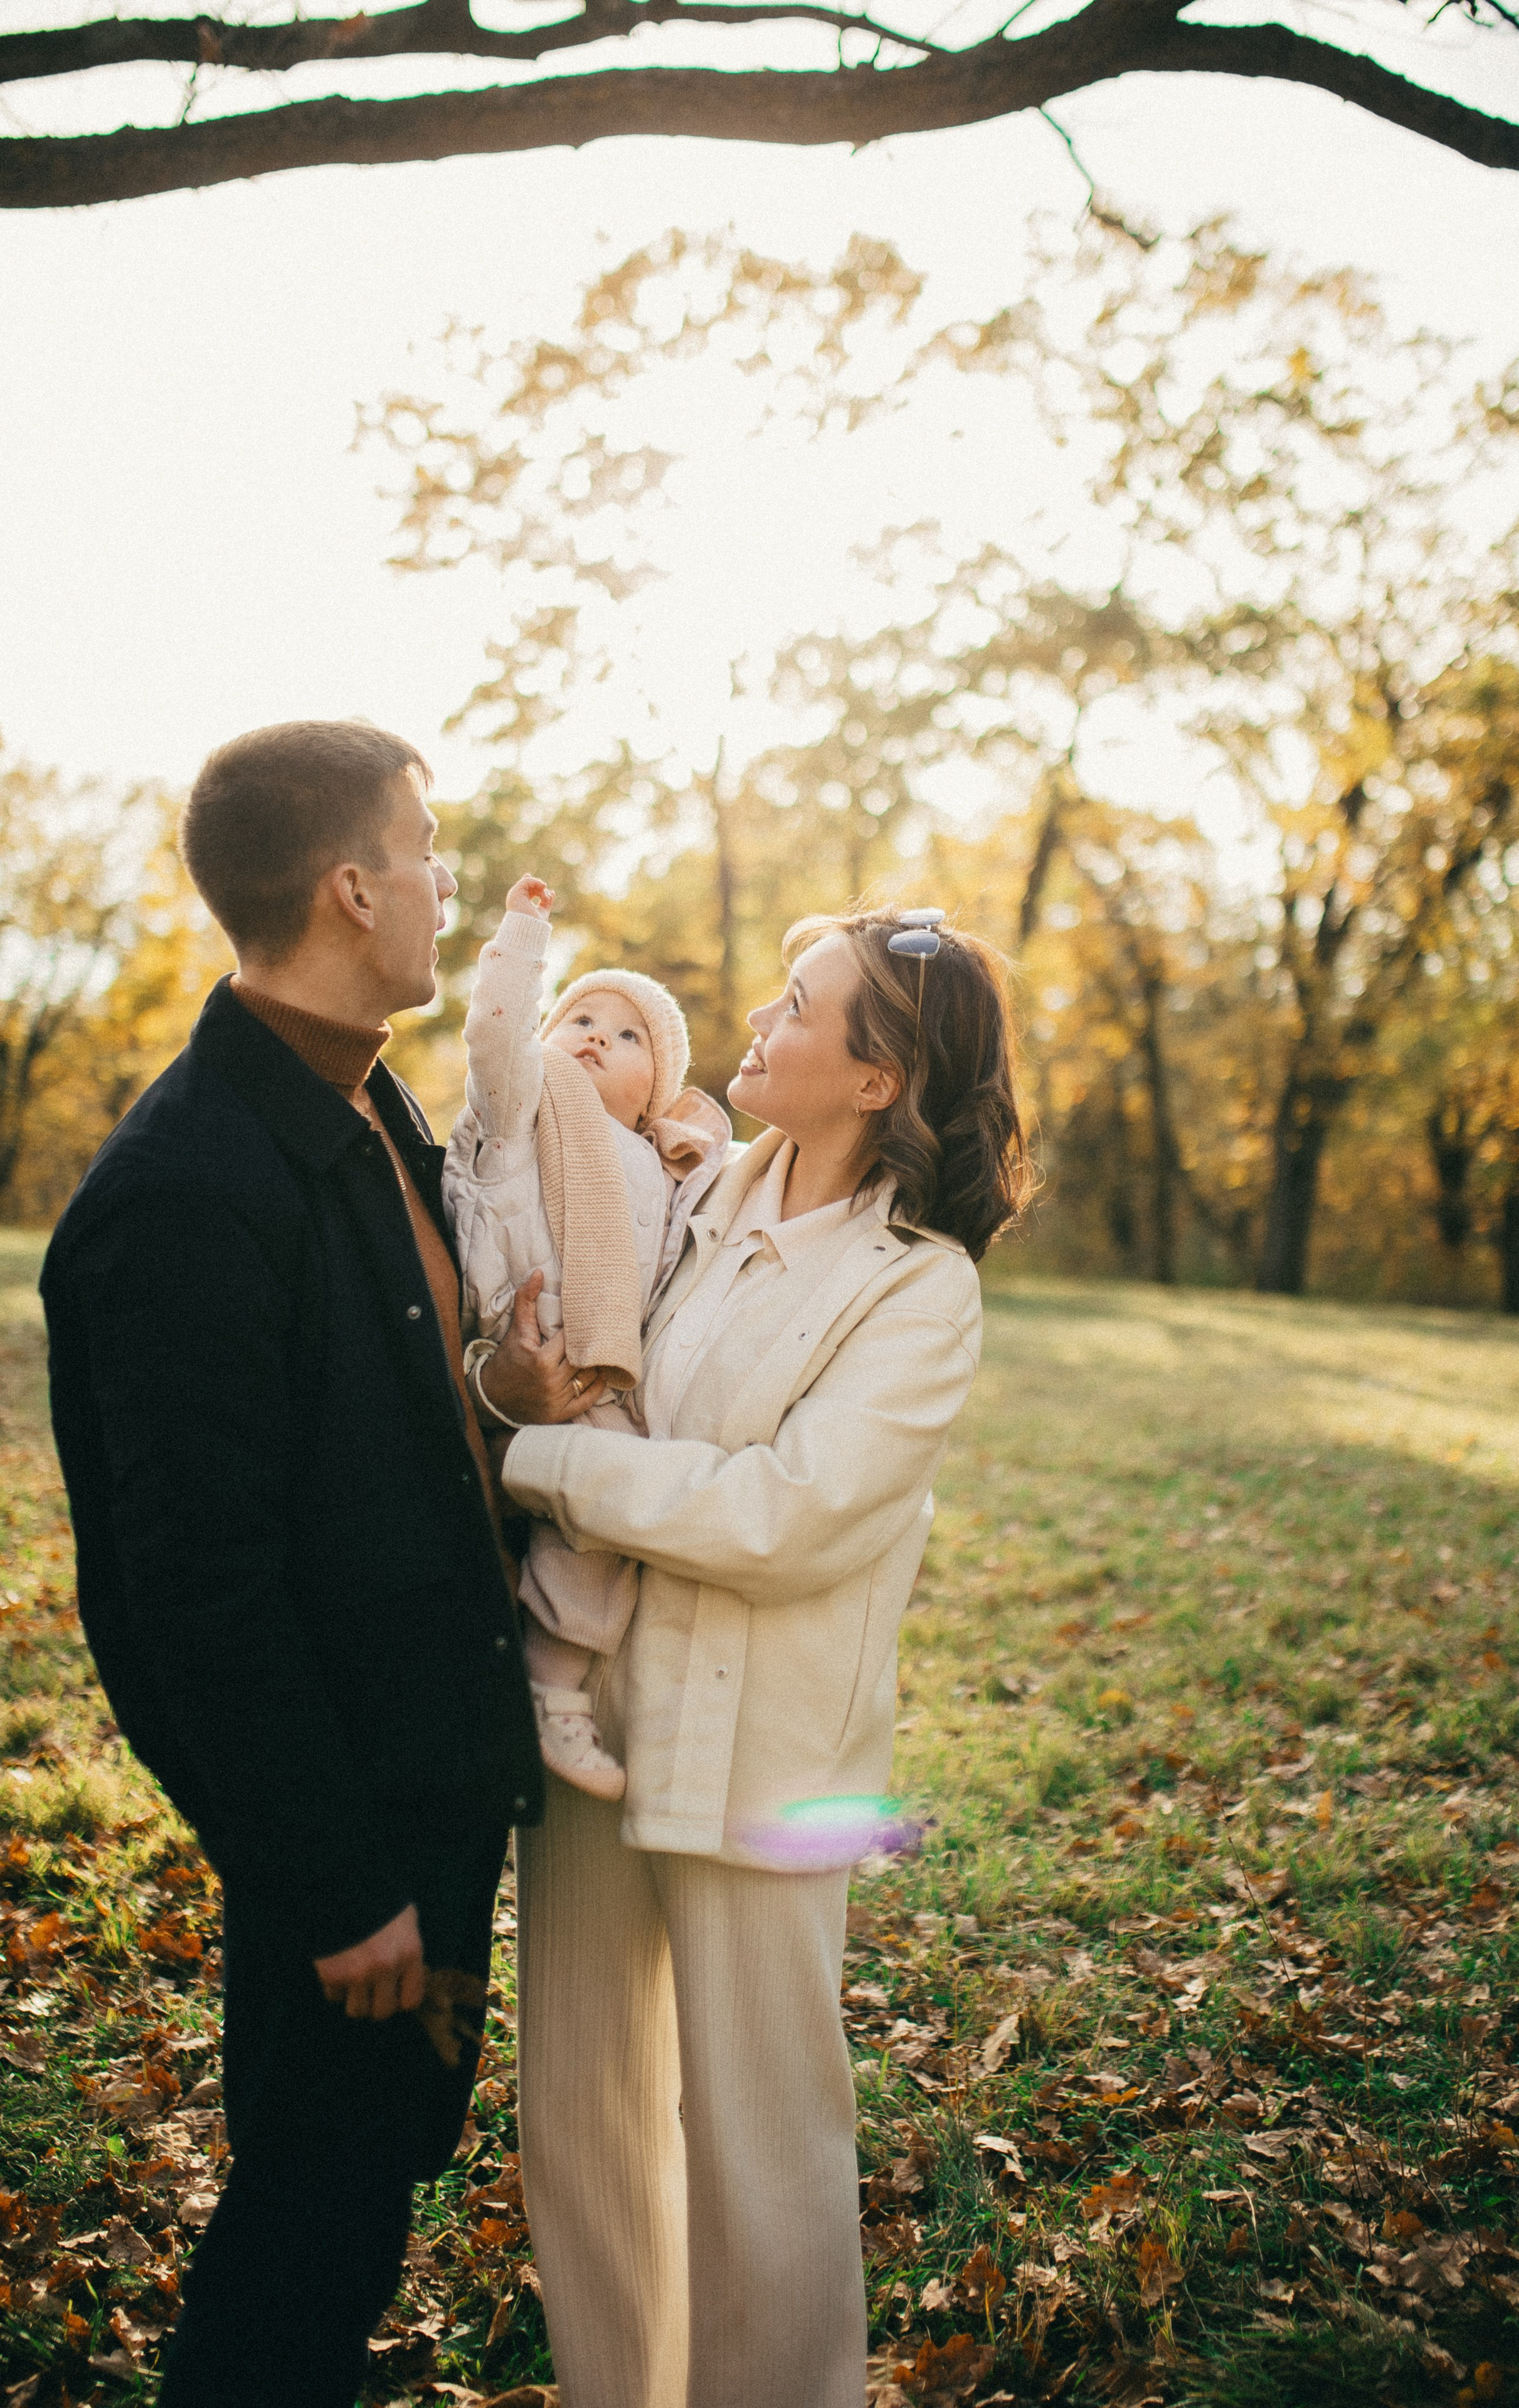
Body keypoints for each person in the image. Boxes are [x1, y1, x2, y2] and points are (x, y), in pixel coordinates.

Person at [40, 721, 562, 2408]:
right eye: (427, 852)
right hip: (350, 1848)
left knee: (355, 2202)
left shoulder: (364, 1104)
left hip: (431, 1783)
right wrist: (337, 1885)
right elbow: (197, 1598)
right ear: (351, 885)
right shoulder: (191, 1188)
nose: (441, 886)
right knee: (301, 2236)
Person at [480, 903, 1034, 2408]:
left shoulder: (919, 1287)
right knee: (580, 2121)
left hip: (768, 1760)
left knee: (761, 2145)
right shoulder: (679, 1196)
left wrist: (537, 1462)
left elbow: (788, 1516)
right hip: (587, 1722)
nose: (761, 1021)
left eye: (800, 1007)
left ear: (874, 1079)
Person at [443, 871, 729, 1800]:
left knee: (601, 1524)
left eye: (630, 1032)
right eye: (579, 1019)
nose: (597, 1035)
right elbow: (494, 1032)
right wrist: (524, 938)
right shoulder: (523, 1110)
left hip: (601, 1380)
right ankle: (542, 1697)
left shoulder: (660, 1161)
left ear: (660, 1088)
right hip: (523, 1348)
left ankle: (550, 1684)